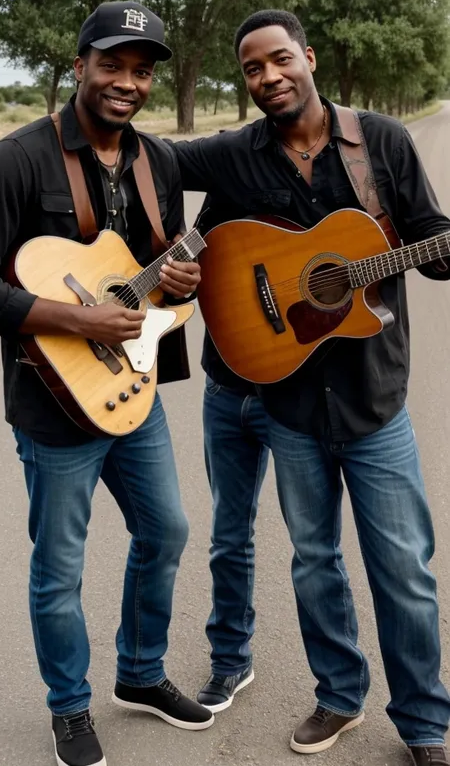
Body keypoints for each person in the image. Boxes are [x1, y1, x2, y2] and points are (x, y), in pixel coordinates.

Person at [170, 10, 450, 764]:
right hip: (287, 401)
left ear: (310, 57)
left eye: (280, 60)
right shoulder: (237, 154)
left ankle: (424, 723)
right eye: (254, 68)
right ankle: (339, 696)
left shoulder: (379, 141)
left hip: (373, 401)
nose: (269, 77)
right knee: (314, 559)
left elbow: (432, 237)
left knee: (404, 569)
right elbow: (156, 159)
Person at [0, 0, 214, 766]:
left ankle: (140, 674)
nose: (127, 82)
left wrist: (180, 281)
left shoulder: (159, 163)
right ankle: (69, 708)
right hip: (50, 406)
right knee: (61, 566)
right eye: (111, 64)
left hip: (130, 388)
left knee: (168, 529)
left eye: (141, 71)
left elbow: (152, 290)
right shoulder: (16, 158)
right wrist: (73, 321)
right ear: (78, 67)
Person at [194, 191, 271, 713]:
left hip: (295, 396)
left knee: (316, 548)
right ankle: (229, 658)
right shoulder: (232, 177)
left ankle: (337, 687)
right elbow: (190, 255)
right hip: (224, 391)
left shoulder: (331, 182)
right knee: (228, 534)